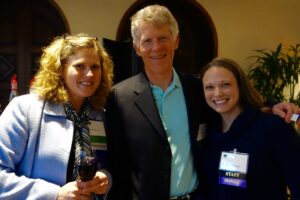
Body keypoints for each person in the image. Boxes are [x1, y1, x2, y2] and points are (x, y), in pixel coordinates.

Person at [105, 4, 299, 200]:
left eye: (163, 38)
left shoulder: (197, 89)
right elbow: (117, 165)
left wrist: (272, 106)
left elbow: (233, 106)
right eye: (147, 41)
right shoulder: (120, 97)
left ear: (176, 41)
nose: (156, 47)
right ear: (137, 48)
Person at [0, 33, 114, 200]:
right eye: (80, 66)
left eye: (95, 67)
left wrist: (105, 179)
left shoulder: (99, 115)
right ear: (60, 70)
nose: (89, 74)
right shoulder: (25, 110)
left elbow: (105, 165)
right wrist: (54, 194)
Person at [198, 57, 300, 199]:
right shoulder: (207, 131)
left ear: (240, 86)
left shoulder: (273, 127)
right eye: (209, 87)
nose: (217, 93)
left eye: (225, 85)